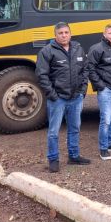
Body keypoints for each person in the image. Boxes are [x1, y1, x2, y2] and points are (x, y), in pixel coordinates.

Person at [36, 22, 90, 172]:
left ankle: (74, 156)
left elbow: (85, 70)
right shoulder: (47, 51)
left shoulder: (78, 49)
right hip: (58, 99)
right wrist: (53, 95)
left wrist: (82, 90)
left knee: (74, 128)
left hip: (75, 97)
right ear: (55, 35)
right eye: (61, 33)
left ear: (70, 34)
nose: (64, 35)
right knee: (54, 131)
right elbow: (42, 75)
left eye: (66, 32)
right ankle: (53, 159)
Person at [87, 24, 111, 161]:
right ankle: (103, 148)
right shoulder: (97, 49)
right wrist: (100, 86)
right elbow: (90, 69)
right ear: (104, 34)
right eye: (110, 33)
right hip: (106, 90)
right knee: (106, 119)